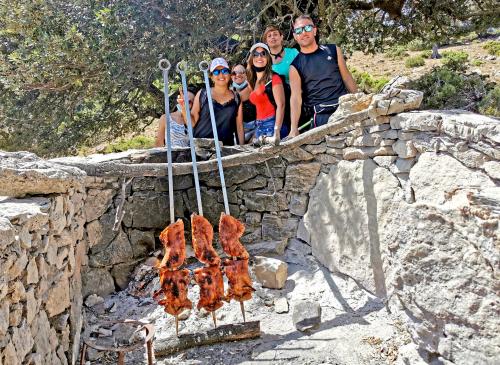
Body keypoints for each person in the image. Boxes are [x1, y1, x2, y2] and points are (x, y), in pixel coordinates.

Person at [289, 15, 358, 137]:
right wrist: (294, 128)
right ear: (295, 36)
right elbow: (295, 98)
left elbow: (346, 77)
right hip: (320, 116)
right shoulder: (295, 66)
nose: (304, 32)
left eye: (307, 28)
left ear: (315, 30)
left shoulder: (333, 50)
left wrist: (359, 100)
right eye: (299, 30)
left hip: (344, 108)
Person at [180, 57, 244, 145]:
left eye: (225, 71)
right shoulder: (202, 94)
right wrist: (184, 109)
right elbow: (192, 123)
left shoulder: (236, 97)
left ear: (229, 74)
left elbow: (239, 127)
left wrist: (242, 149)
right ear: (211, 77)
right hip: (201, 149)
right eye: (216, 72)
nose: (221, 75)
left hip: (226, 151)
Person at [246, 42, 287, 144]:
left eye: (263, 54)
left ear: (268, 58)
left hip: (272, 124)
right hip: (259, 125)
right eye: (255, 54)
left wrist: (276, 131)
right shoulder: (253, 81)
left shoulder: (274, 78)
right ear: (251, 59)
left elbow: (281, 105)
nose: (259, 57)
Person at [231, 64, 256, 143]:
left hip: (255, 129)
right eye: (234, 73)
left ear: (246, 75)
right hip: (237, 132)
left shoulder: (251, 88)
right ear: (231, 76)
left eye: (241, 72)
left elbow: (238, 98)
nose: (238, 75)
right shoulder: (230, 91)